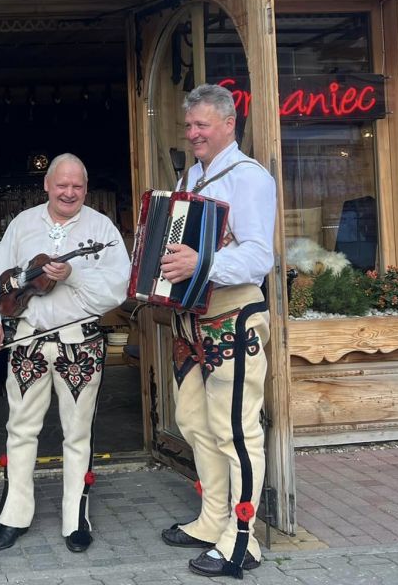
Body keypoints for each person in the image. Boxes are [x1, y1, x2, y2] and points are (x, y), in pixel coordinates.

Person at [0, 154, 131, 554]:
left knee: (78, 433)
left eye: (77, 186)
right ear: (47, 185)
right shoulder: (22, 223)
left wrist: (74, 274)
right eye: (62, 185)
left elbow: (118, 287)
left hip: (80, 341)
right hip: (28, 339)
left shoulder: (102, 228)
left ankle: (76, 519)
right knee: (20, 428)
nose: (69, 193)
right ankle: (14, 515)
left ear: (86, 188)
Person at [157, 84, 276, 579]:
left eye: (202, 125)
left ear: (229, 124)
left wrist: (200, 264)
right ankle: (212, 520)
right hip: (190, 319)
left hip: (232, 315)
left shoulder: (251, 177)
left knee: (236, 431)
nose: (193, 133)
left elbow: (259, 257)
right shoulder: (190, 176)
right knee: (194, 423)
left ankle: (242, 539)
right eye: (189, 125)